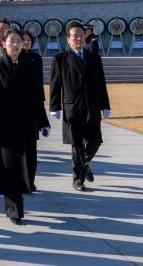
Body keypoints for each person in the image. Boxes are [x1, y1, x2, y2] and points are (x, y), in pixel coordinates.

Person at [0, 29, 50, 224]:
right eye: (11, 41)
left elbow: (37, 95)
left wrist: (43, 122)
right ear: (4, 44)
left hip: (26, 123)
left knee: (27, 165)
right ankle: (14, 210)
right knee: (11, 167)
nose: (16, 44)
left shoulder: (30, 64)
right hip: (4, 125)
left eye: (19, 41)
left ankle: (21, 196)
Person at [49, 21, 111, 191]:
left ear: (86, 37)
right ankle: (78, 179)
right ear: (68, 39)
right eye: (74, 36)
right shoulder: (60, 59)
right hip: (72, 108)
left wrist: (105, 105)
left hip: (92, 107)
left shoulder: (94, 58)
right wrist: (54, 106)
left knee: (96, 141)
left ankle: (85, 162)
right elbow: (55, 84)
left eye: (81, 35)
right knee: (76, 145)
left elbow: (101, 84)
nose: (78, 38)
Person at [19, 29, 45, 191]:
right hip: (17, 110)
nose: (26, 42)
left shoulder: (36, 58)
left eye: (28, 40)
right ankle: (20, 179)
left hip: (32, 108)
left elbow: (39, 82)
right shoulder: (13, 59)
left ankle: (30, 180)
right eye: (23, 40)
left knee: (31, 148)